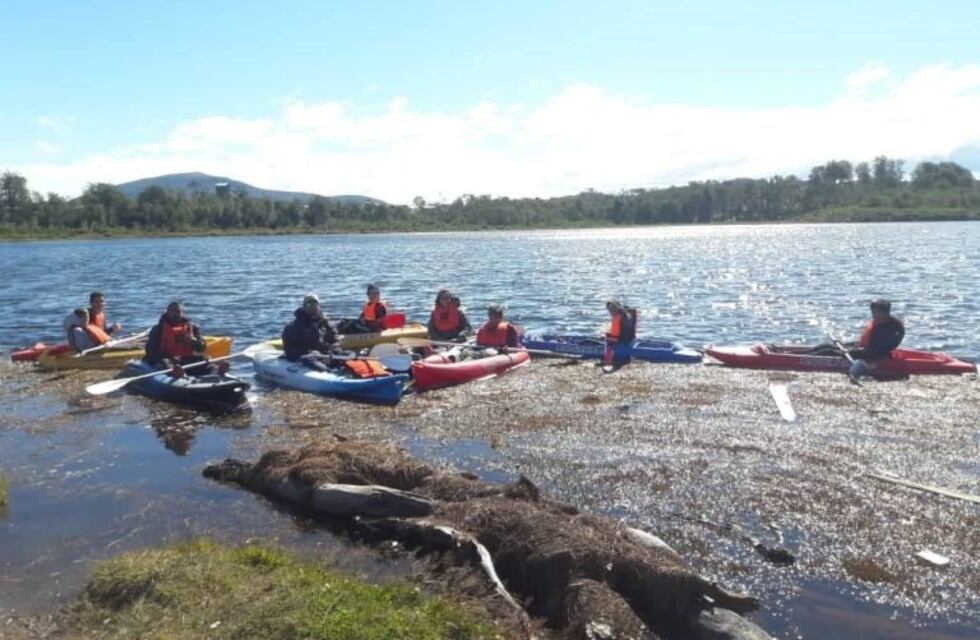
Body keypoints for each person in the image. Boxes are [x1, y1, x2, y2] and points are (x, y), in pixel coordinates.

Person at [144, 301, 213, 376]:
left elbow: (202, 348)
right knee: (164, 363)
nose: (175, 314)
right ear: (167, 313)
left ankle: (215, 371)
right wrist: (170, 358)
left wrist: (194, 342)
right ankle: (177, 374)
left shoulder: (192, 328)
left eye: (178, 311)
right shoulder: (158, 329)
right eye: (172, 311)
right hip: (167, 360)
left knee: (204, 358)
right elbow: (151, 351)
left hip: (185, 359)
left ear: (182, 313)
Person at [848, 299, 905, 383]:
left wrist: (851, 351)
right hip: (873, 350)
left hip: (875, 355)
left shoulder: (888, 328)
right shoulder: (886, 322)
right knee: (830, 346)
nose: (872, 314)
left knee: (830, 351)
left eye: (874, 311)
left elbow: (875, 350)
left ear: (883, 312)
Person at [281, 293, 339, 369]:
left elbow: (334, 342)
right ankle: (326, 372)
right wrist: (309, 352)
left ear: (319, 306)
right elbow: (289, 350)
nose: (312, 307)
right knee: (310, 360)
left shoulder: (326, 323)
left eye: (315, 304)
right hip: (306, 357)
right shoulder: (293, 327)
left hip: (324, 355)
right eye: (309, 304)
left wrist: (332, 352)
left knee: (346, 354)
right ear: (304, 307)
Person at [604, 300, 638, 365]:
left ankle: (608, 360)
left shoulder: (620, 317)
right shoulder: (621, 315)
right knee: (608, 337)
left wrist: (607, 336)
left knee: (609, 340)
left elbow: (615, 336)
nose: (610, 312)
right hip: (628, 338)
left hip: (626, 341)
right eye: (609, 310)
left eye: (611, 309)